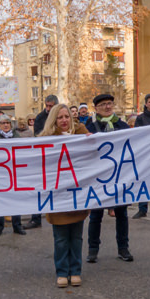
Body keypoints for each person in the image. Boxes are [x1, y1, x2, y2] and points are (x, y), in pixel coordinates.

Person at [39, 103, 90, 287]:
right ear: (54, 119)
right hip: (58, 196)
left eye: (66, 116)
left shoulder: (82, 135)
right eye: (60, 117)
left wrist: (93, 141)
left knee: (76, 237)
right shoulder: (45, 140)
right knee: (60, 238)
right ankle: (62, 271)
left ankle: (75, 271)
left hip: (78, 194)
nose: (64, 120)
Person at [84, 93, 133, 263]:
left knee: (122, 214)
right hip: (98, 179)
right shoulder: (90, 128)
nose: (107, 107)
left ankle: (123, 248)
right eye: (103, 104)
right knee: (95, 216)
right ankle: (93, 249)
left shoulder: (123, 126)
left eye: (110, 103)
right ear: (96, 108)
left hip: (120, 177)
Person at [0, 113, 27, 237]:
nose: (6, 125)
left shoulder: (17, 136)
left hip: (15, 173)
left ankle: (17, 225)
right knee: (0, 200)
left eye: (8, 123)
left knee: (16, 200)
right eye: (3, 123)